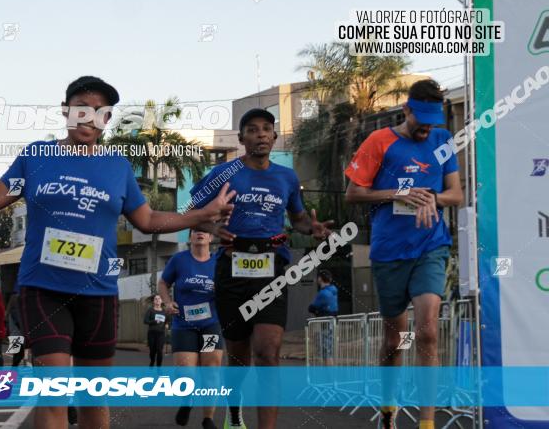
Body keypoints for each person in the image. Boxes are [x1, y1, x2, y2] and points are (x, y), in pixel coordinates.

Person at [0, 75, 234, 429]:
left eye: (100, 112)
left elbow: (147, 219)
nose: (89, 118)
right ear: (66, 111)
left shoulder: (116, 167)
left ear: (107, 121)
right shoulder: (37, 155)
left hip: (97, 291)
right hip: (43, 288)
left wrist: (201, 215)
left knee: (93, 398)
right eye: (81, 109)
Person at [190, 108, 333, 429]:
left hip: (273, 267)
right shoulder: (223, 174)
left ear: (274, 136)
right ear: (241, 139)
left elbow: (296, 218)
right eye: (252, 130)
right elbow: (193, 209)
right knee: (238, 357)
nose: (261, 135)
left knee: (268, 353)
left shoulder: (287, 177)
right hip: (232, 266)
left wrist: (312, 227)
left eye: (267, 129)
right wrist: (212, 230)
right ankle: (235, 409)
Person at [344, 79, 463, 429]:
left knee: (426, 331)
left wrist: (432, 198)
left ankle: (426, 424)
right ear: (406, 109)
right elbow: (353, 193)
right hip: (390, 252)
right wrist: (399, 193)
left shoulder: (443, 140)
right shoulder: (378, 141)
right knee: (395, 340)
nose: (426, 127)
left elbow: (456, 194)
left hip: (431, 245)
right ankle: (388, 409)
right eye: (420, 118)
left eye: (432, 119)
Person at [159, 229, 224, 429]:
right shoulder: (179, 260)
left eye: (205, 231)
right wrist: (168, 302)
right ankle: (187, 401)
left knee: (211, 372)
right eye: (196, 231)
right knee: (186, 373)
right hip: (183, 324)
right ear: (190, 237)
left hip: (210, 324)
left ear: (211, 237)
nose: (200, 233)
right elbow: (163, 283)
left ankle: (208, 419)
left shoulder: (218, 263)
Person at [308, 270, 338, 366]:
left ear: (320, 279)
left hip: (324, 323)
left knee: (325, 351)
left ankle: (329, 377)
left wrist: (316, 311)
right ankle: (331, 376)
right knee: (329, 349)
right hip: (331, 322)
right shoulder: (333, 290)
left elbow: (312, 307)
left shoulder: (323, 293)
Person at [143, 294, 169, 367]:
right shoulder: (150, 310)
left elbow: (167, 320)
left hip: (161, 333)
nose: (157, 300)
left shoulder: (164, 311)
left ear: (161, 301)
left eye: (159, 299)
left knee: (159, 351)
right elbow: (145, 321)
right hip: (152, 333)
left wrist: (167, 324)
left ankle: (159, 367)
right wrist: (154, 321)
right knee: (152, 351)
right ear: (154, 301)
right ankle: (152, 360)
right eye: (156, 299)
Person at [5, 291, 26, 367]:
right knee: (19, 356)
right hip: (17, 335)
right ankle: (13, 373)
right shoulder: (15, 311)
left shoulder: (10, 311)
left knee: (17, 356)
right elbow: (19, 323)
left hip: (14, 335)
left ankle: (13, 374)